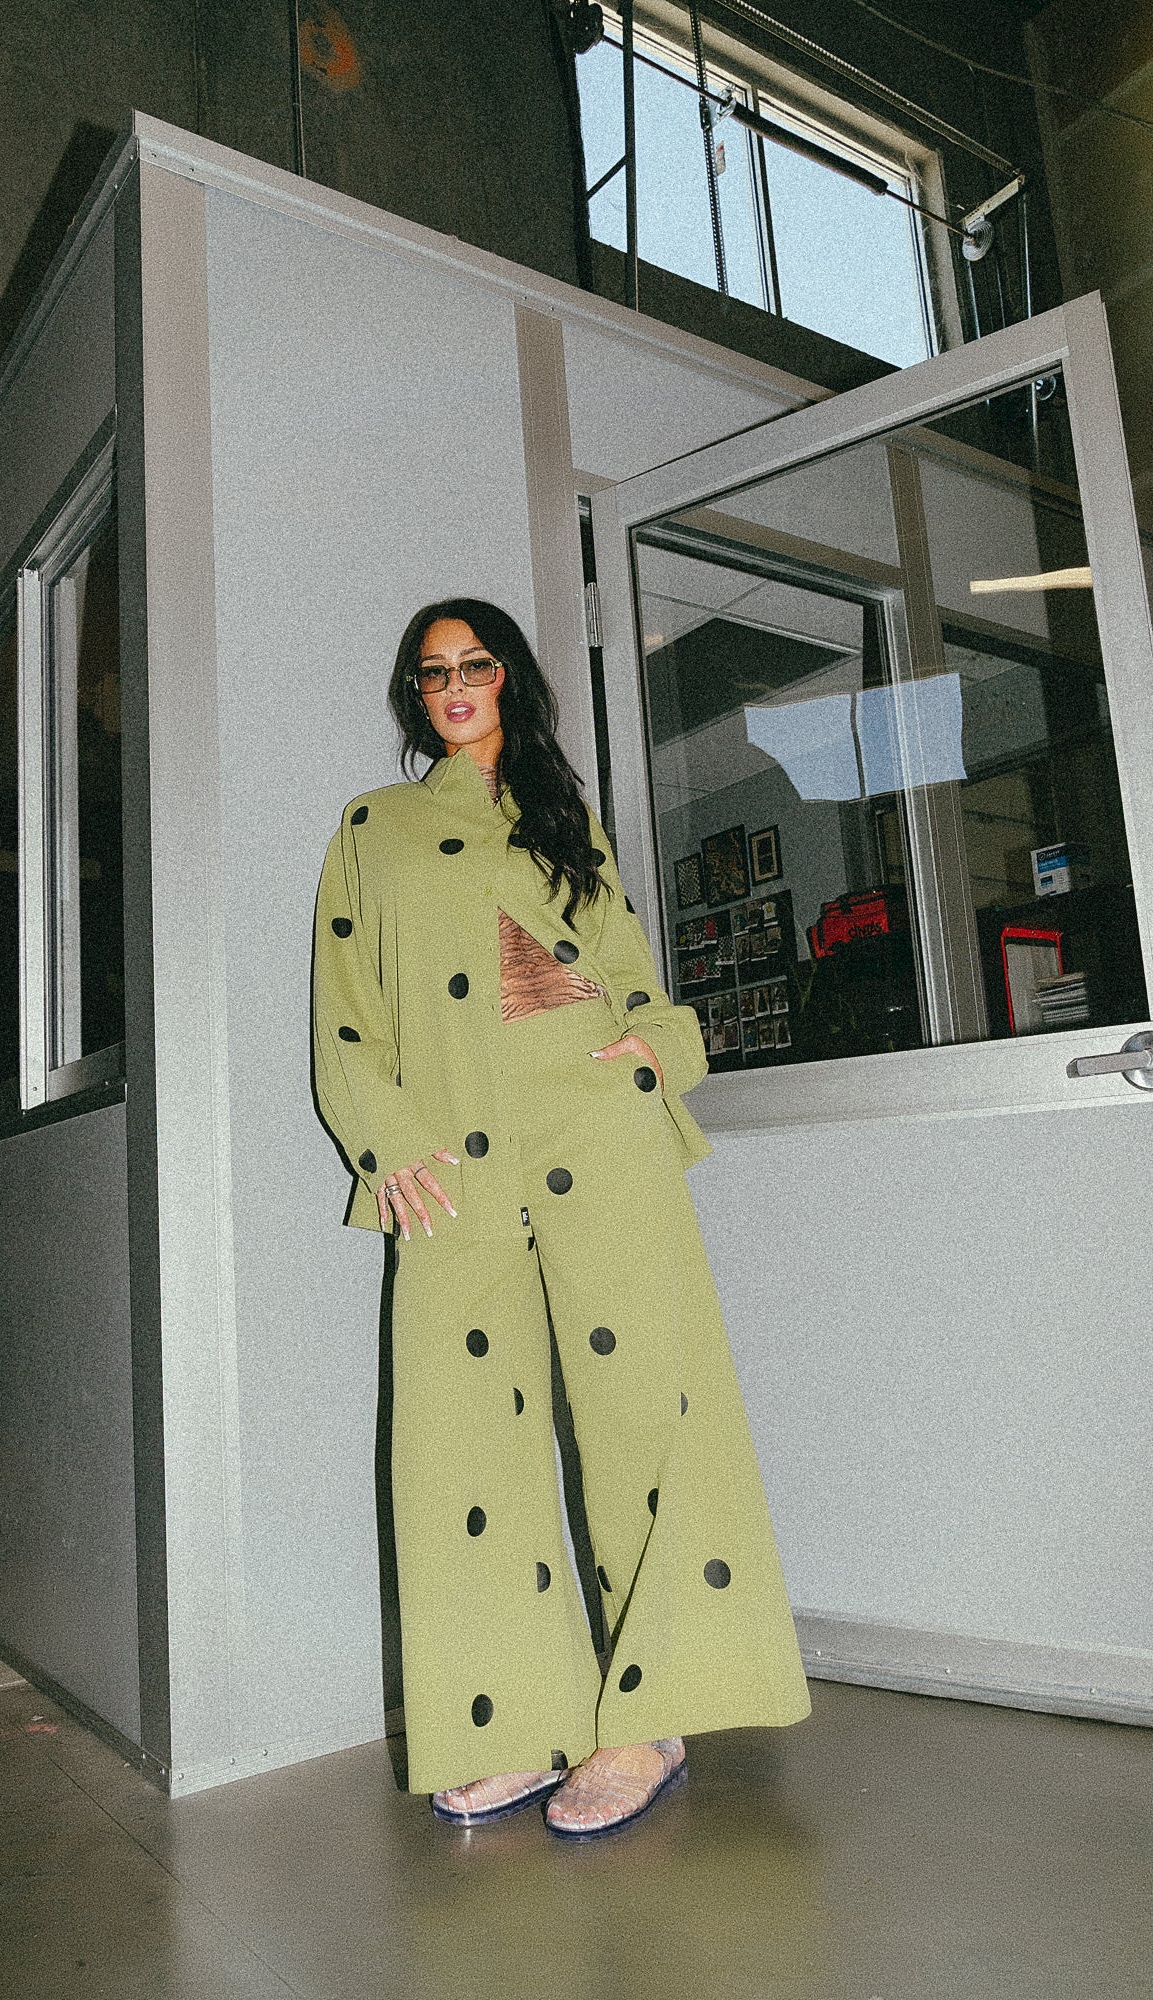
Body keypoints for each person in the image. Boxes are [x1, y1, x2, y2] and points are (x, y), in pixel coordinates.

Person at [312, 598, 809, 1838]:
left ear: (508, 680)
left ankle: (647, 1717)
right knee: (460, 1436)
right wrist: (388, 1138)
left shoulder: (559, 815)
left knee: (650, 1404)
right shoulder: (371, 827)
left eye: (474, 664)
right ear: (412, 694)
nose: (454, 684)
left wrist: (652, 1045)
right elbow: (345, 1010)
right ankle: (510, 1715)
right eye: (431, 670)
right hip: (456, 1145)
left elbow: (626, 962)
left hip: (592, 1118)